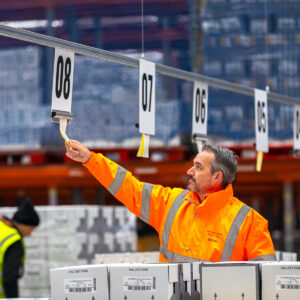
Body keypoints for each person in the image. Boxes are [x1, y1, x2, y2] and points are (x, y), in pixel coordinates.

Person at [66, 140, 276, 262]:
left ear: (217, 177)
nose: (189, 171)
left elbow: (266, 282)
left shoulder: (250, 223)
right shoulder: (172, 203)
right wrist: (91, 160)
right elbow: (130, 188)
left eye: (198, 167)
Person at [0, 198, 40, 298]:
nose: (30, 234)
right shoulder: (13, 241)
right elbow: (9, 279)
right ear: (23, 224)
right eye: (31, 229)